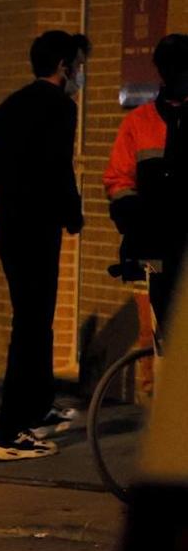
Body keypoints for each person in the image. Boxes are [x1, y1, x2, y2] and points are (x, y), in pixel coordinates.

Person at [0, 30, 89, 461]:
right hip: (37, 226)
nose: (80, 74)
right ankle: (10, 431)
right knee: (31, 323)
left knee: (35, 318)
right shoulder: (60, 108)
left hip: (9, 223)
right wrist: (72, 213)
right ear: (64, 67)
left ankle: (37, 405)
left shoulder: (10, 107)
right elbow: (59, 167)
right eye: (78, 66)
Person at [104, 33, 188, 332]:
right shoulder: (139, 122)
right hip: (156, 248)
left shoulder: (140, 121)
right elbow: (118, 182)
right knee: (160, 335)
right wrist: (137, 223)